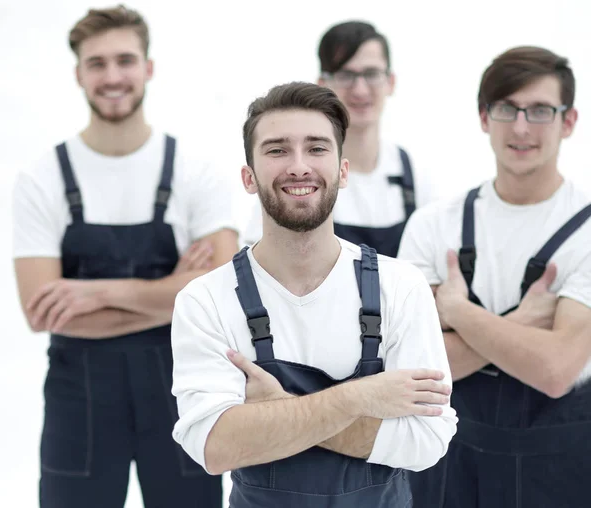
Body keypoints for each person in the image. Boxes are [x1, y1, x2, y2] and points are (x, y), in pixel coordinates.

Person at [170, 81, 457, 508]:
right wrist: (362, 396)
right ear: (249, 177)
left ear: (343, 171)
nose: (299, 166)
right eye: (277, 150)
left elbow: (426, 441)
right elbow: (214, 445)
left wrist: (276, 412)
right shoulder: (206, 301)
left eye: (317, 148)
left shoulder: (401, 287)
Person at [11, 5, 237, 507]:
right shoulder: (40, 179)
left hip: (183, 397)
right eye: (97, 64)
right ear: (78, 74)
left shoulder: (196, 172)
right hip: (79, 404)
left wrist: (94, 293)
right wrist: (174, 293)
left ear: (148, 67)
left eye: (125, 60)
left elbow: (221, 299)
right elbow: (39, 311)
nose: (113, 77)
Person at [397, 46, 591, 507]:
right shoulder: (432, 225)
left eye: (540, 110)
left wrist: (457, 312)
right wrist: (524, 326)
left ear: (568, 121)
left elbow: (555, 370)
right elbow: (411, 369)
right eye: (507, 109)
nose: (521, 127)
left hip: (560, 469)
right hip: (446, 468)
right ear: (485, 117)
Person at [242, 21, 437, 257]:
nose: (360, 90)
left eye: (371, 74)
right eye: (346, 75)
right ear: (322, 84)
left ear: (391, 82)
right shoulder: (294, 179)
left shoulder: (417, 175)